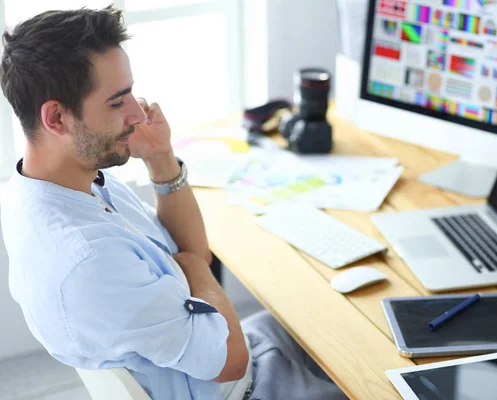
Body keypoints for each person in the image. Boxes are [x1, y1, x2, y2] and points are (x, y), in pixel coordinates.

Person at [0, 7, 347, 400]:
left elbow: (192, 251)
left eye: (131, 90)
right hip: (243, 389)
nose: (137, 112)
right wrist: (197, 267)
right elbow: (228, 360)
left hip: (241, 353)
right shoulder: (88, 260)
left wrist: (161, 158)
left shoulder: (59, 182)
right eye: (116, 103)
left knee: (340, 318)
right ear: (56, 118)